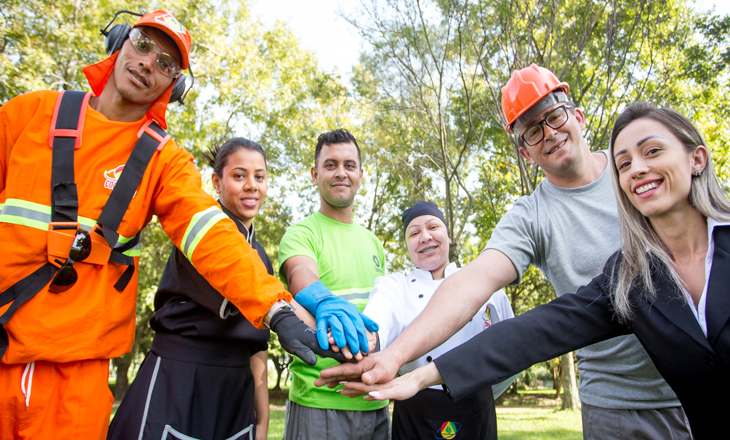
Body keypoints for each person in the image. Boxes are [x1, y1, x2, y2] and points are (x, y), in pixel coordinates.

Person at [0, 11, 356, 439]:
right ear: (118, 41)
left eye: (168, 64)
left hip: (77, 374)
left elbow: (209, 233)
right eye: (143, 44)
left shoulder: (164, 160)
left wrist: (276, 309)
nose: (149, 63)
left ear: (174, 86)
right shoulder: (31, 113)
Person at [318, 65, 691, 439]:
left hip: (699, 375)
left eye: (554, 116)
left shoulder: (641, 169)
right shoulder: (531, 216)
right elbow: (476, 287)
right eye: (532, 130)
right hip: (618, 404)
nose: (549, 133)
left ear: (577, 116)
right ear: (526, 152)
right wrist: (394, 356)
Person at [108, 138, 274, 439]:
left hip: (235, 390)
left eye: (259, 176)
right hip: (179, 379)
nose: (252, 185)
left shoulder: (261, 258)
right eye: (239, 175)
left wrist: (261, 421)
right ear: (216, 181)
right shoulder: (198, 236)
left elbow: (256, 346)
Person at [362, 200, 515, 440]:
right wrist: (366, 336)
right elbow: (376, 321)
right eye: (414, 233)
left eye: (433, 227)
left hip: (477, 409)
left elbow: (511, 354)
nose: (425, 237)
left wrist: (481, 391)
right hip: (415, 412)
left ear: (448, 235)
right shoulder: (394, 287)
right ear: (407, 245)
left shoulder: (488, 287)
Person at [278, 129, 388, 440]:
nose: (341, 173)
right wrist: (323, 300)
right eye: (330, 165)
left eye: (349, 165)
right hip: (320, 403)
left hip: (374, 400)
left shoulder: (373, 243)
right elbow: (301, 274)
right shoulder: (302, 233)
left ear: (361, 174)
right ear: (314, 174)